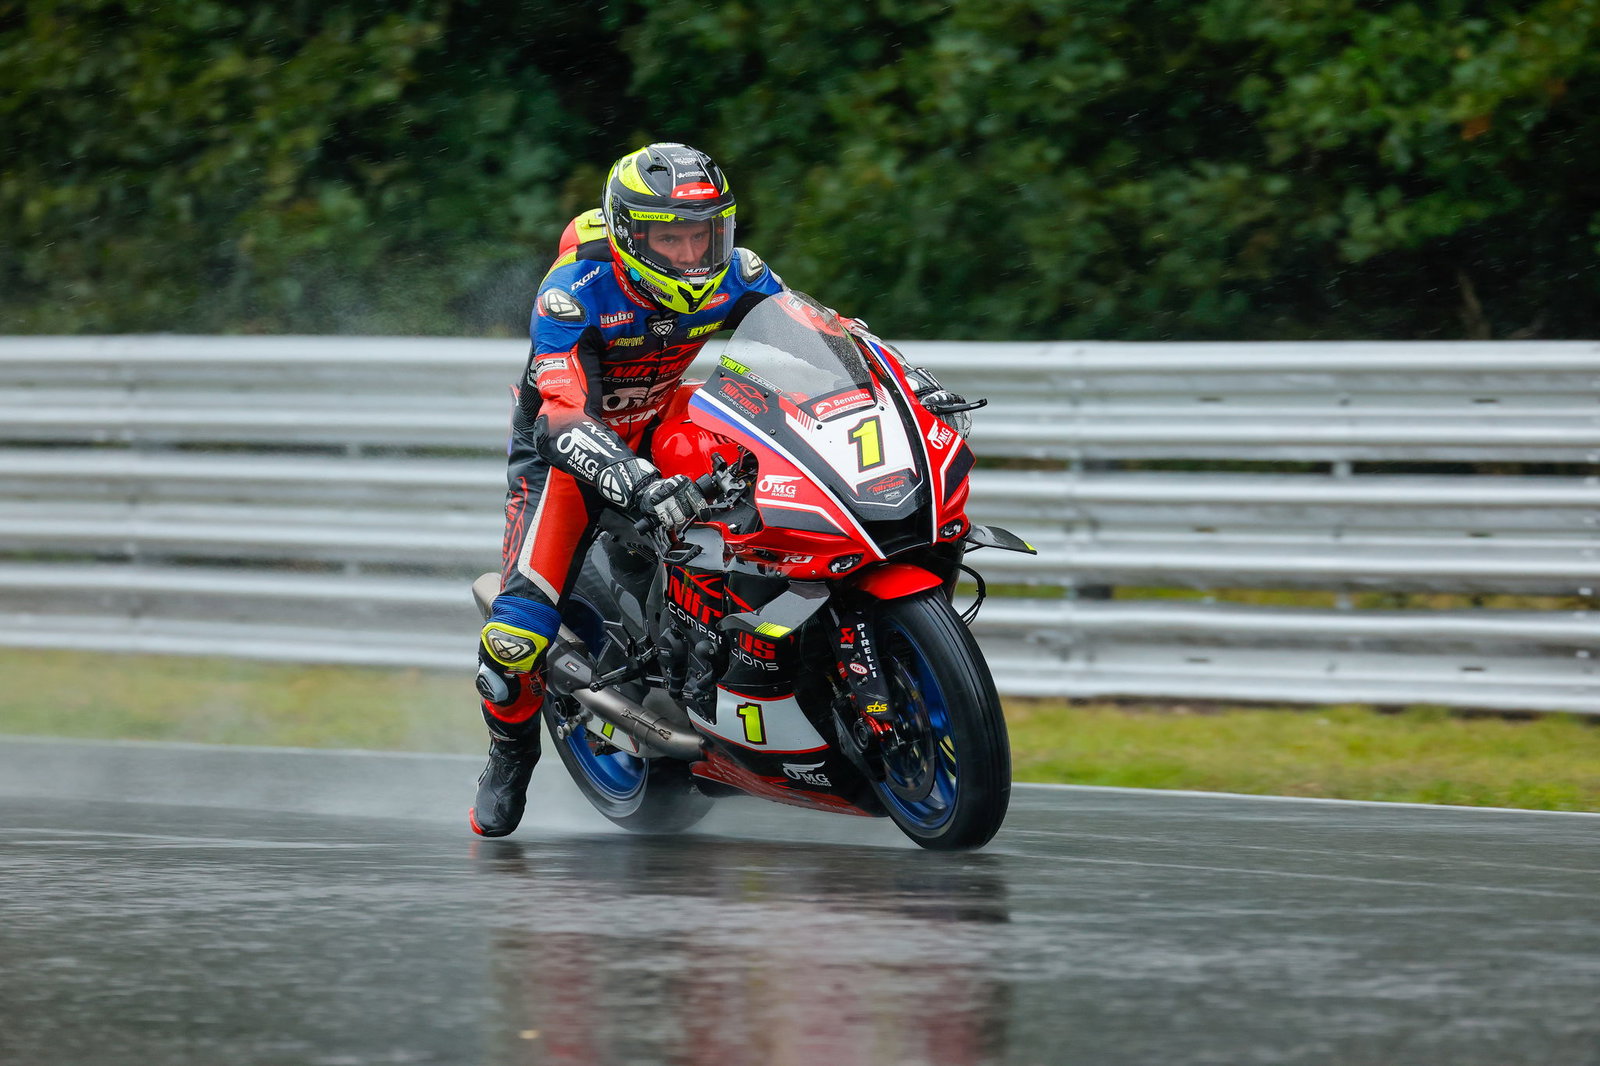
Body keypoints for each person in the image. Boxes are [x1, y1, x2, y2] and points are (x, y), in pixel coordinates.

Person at [470, 142, 975, 837]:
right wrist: (630, 478)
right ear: (630, 236)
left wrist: (908, 386)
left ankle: (757, 632)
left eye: (702, 235)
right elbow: (558, 412)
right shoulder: (573, 292)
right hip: (569, 449)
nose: (690, 254)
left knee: (766, 467)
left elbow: (830, 335)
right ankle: (509, 754)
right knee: (513, 640)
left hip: (664, 415)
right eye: (669, 238)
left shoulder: (738, 271)